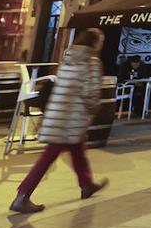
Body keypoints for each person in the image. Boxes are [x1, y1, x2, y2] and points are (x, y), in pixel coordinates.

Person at [9, 29, 109, 214]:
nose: (101, 44)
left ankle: (86, 184)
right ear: (94, 43)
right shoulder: (92, 63)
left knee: (78, 150)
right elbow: (90, 93)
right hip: (72, 117)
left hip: (59, 114)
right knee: (48, 157)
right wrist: (95, 109)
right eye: (100, 40)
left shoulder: (68, 60)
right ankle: (22, 196)